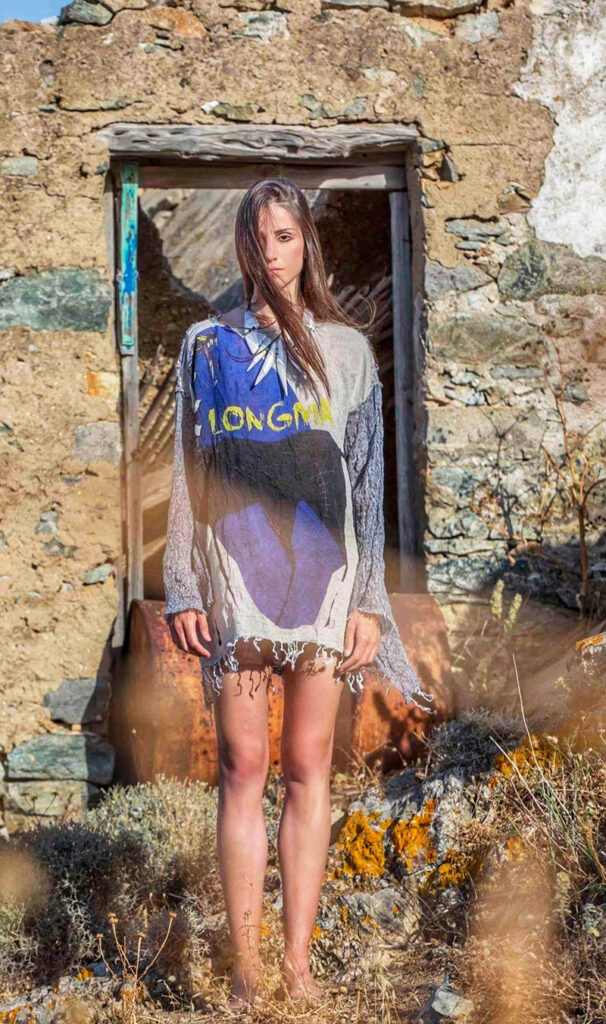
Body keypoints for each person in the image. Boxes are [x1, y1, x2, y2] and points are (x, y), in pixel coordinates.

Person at [162, 177, 434, 1010]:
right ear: (242, 246)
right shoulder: (208, 346)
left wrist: (369, 603)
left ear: (306, 242)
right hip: (234, 582)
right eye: (259, 237)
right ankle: (247, 967)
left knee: (310, 766)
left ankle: (298, 963)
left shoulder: (345, 351)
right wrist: (182, 585)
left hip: (326, 587)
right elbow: (188, 472)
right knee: (243, 767)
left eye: (286, 235)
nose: (273, 251)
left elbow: (367, 486)